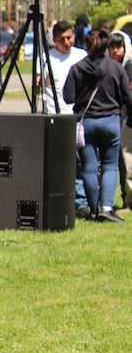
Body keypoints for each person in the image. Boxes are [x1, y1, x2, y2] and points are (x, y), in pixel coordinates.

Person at [64, 28, 132, 223]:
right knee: (110, 166)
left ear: (87, 45)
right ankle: (107, 207)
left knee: (89, 167)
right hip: (111, 121)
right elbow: (128, 98)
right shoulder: (116, 68)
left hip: (86, 123)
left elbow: (68, 97)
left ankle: (93, 210)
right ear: (106, 46)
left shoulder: (77, 68)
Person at [39, 20, 88, 215]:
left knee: (79, 161)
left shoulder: (81, 56)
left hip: (78, 117)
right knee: (58, 162)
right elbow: (39, 85)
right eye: (62, 39)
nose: (67, 42)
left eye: (69, 37)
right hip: (55, 115)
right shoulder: (46, 58)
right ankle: (60, 197)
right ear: (54, 39)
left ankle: (82, 201)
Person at [108, 31, 132, 210]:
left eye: (119, 46)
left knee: (127, 159)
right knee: (121, 161)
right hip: (115, 118)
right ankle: (126, 199)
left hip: (127, 119)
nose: (116, 51)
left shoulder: (129, 67)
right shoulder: (106, 66)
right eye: (112, 47)